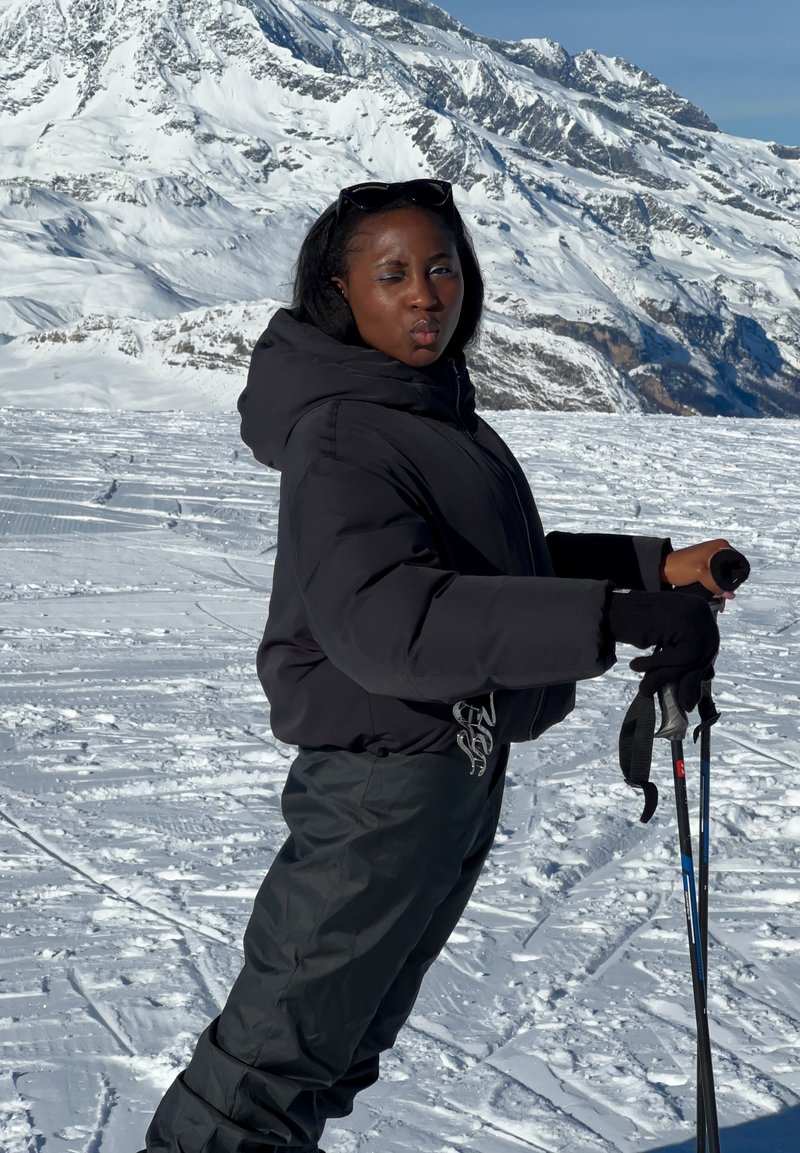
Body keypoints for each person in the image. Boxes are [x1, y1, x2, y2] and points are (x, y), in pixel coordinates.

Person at [142, 178, 745, 1153]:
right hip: (383, 784)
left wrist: (648, 569)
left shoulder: (427, 414)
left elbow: (486, 569)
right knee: (271, 1061)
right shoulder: (345, 432)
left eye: (440, 267)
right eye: (392, 275)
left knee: (337, 1047)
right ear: (339, 293)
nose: (425, 295)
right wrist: (616, 614)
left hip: (449, 778)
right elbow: (391, 623)